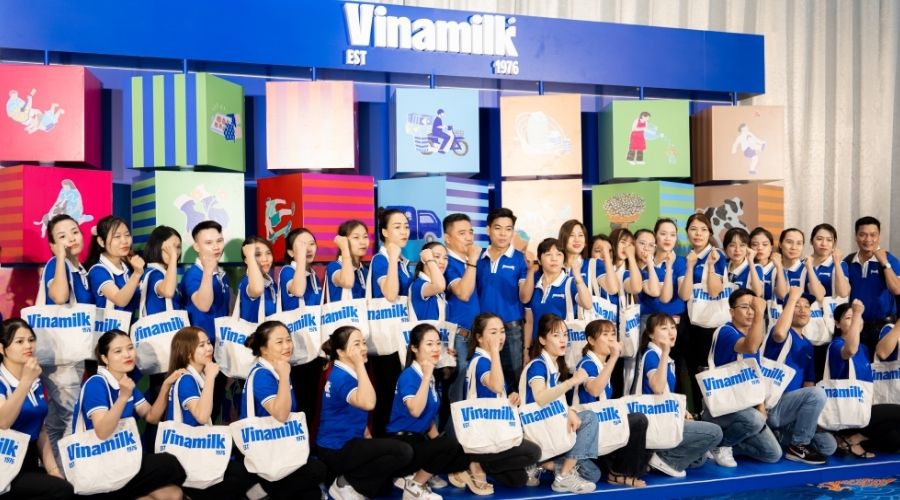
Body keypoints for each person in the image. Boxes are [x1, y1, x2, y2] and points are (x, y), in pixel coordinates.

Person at [72, 330, 186, 499]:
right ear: (104, 358)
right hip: (98, 465)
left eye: (130, 348)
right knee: (169, 463)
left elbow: (152, 417)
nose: (127, 354)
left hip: (122, 459)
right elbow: (102, 431)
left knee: (174, 494)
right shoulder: (96, 384)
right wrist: (123, 397)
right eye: (118, 351)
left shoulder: (126, 383)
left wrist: (166, 386)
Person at [387, 323, 487, 497]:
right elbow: (415, 411)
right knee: (449, 445)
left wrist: (442, 446)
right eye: (429, 344)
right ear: (414, 348)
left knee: (463, 454)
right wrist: (427, 377)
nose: (435, 348)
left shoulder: (429, 375)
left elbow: (428, 421)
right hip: (402, 443)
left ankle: (424, 473)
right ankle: (415, 485)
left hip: (419, 440)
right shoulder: (410, 375)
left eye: (438, 343)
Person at [317, 326, 414, 499]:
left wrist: (366, 433)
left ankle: (350, 480)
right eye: (356, 344)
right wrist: (360, 364)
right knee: (403, 452)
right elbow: (368, 403)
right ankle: (345, 482)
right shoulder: (341, 376)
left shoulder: (346, 371)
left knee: (385, 484)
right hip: (336, 450)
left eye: (363, 342)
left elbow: (349, 410)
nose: (363, 348)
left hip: (346, 444)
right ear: (341, 352)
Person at [165, 327, 255, 499]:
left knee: (243, 473)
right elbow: (202, 416)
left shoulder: (195, 376)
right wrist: (211, 378)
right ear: (187, 352)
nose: (209, 348)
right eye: (201, 345)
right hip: (187, 458)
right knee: (240, 478)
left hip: (197, 451)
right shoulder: (187, 379)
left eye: (208, 343)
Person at [241, 321, 328, 498]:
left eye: (288, 340)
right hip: (265, 451)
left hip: (281, 445)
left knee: (312, 490)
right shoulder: (262, 375)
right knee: (317, 471)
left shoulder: (279, 368)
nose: (287, 346)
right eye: (279, 342)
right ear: (264, 349)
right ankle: (259, 489)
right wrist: (283, 376)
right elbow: (281, 414)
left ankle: (265, 490)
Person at [635, 313, 722, 478]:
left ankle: (655, 458)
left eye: (673, 327)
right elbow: (658, 388)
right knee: (715, 433)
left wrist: (682, 411)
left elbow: (667, 393)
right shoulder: (652, 355)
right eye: (664, 328)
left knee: (700, 459)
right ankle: (665, 459)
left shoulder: (664, 356)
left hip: (665, 416)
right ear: (651, 334)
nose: (671, 332)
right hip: (656, 421)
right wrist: (665, 352)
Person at [701, 289, 782, 466]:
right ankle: (722, 444)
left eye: (753, 307)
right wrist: (760, 312)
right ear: (731, 311)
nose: (751, 312)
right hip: (719, 408)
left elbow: (756, 378)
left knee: (772, 454)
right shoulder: (726, 331)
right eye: (745, 307)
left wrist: (761, 405)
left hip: (744, 406)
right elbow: (750, 346)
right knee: (755, 420)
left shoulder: (752, 335)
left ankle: (715, 442)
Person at [524, 314, 601, 493]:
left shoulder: (555, 366)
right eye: (556, 335)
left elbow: (555, 400)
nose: (563, 340)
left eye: (565, 335)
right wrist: (572, 381)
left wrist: (569, 411)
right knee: (589, 418)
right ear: (542, 340)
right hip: (537, 430)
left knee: (593, 474)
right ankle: (563, 475)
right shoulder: (538, 365)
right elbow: (540, 397)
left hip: (550, 426)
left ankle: (545, 465)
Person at [464, 313, 541, 488]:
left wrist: (510, 399)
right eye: (493, 332)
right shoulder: (482, 361)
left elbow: (495, 393)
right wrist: (494, 351)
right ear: (479, 337)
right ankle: (474, 462)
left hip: (493, 429)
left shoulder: (488, 359)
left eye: (502, 331)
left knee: (518, 480)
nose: (499, 337)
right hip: (482, 435)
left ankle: (483, 465)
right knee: (534, 452)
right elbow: (497, 386)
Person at [39, 214, 93, 465]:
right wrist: (60, 257)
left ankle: (54, 468)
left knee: (57, 418)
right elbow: (60, 297)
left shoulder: (80, 269)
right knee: (71, 415)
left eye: (74, 231)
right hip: (61, 355)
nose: (71, 238)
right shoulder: (56, 265)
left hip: (73, 352)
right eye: (62, 236)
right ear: (52, 245)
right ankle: (72, 471)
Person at [0, 319, 74, 499]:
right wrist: (25, 381)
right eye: (19, 341)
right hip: (4, 462)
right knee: (60, 491)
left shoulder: (34, 380)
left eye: (31, 340)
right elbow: (3, 422)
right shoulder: (7, 381)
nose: (28, 346)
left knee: (66, 484)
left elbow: (41, 430)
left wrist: (53, 470)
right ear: (2, 348)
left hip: (29, 458)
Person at [763, 287, 836, 464]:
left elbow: (808, 383)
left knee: (829, 446)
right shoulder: (780, 332)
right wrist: (792, 297)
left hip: (792, 412)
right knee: (817, 393)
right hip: (773, 406)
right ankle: (798, 446)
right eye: (797, 305)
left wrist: (811, 419)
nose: (803, 309)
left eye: (806, 306)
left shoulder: (808, 344)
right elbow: (780, 333)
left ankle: (780, 437)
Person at [576, 319, 649, 488]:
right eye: (605, 334)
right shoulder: (587, 363)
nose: (611, 339)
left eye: (612, 334)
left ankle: (620, 469)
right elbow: (594, 390)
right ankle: (618, 473)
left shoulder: (602, 364)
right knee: (637, 420)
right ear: (591, 340)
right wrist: (615, 356)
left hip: (601, 424)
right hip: (587, 430)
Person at [828, 302, 900, 456]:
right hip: (847, 410)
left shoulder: (865, 348)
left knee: (894, 441)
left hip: (863, 408)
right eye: (849, 317)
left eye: (858, 317)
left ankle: (852, 440)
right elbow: (850, 349)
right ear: (837, 324)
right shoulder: (836, 345)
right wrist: (857, 313)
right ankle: (853, 437)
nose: (856, 320)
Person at [477, 208, 532, 392]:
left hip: (511, 329)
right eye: (498, 228)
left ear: (513, 232)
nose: (503, 234)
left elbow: (525, 297)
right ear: (488, 229)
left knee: (513, 380)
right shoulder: (478, 258)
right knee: (484, 378)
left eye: (508, 229)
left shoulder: (520, 260)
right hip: (482, 329)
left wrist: (531, 271)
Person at [181, 220, 231, 423]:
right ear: (196, 246)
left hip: (218, 347)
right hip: (199, 350)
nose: (216, 247)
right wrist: (208, 272)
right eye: (209, 243)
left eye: (219, 241)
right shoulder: (193, 275)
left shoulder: (221, 275)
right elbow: (203, 304)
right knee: (201, 408)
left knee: (215, 403)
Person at [368, 208, 412, 435]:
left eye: (406, 226)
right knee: (387, 394)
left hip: (401, 336)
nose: (404, 231)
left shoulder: (403, 261)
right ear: (384, 232)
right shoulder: (381, 260)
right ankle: (383, 441)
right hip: (386, 340)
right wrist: (393, 258)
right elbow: (391, 293)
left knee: (400, 391)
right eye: (397, 227)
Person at [678, 213, 728, 413]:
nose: (698, 234)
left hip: (713, 324)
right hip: (692, 323)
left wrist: (710, 265)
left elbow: (715, 291)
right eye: (693, 229)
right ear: (687, 232)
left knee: (711, 372)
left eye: (703, 230)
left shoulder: (717, 256)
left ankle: (714, 414)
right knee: (693, 371)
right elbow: (684, 295)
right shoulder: (686, 258)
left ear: (710, 233)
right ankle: (699, 413)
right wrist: (690, 266)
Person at [278, 228, 325, 435]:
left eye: (312, 244)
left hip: (313, 349)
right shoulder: (288, 272)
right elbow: (297, 290)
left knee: (310, 406)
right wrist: (299, 260)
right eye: (301, 245)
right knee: (298, 405)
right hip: (295, 350)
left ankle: (305, 447)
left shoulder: (313, 275)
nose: (308, 248)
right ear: (290, 252)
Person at [408, 241, 454, 428]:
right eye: (436, 257)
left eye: (445, 258)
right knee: (426, 405)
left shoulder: (438, 292)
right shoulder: (421, 285)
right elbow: (440, 284)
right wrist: (429, 260)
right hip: (423, 357)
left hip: (436, 355)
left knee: (437, 402)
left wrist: (447, 349)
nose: (441, 262)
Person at [521, 238, 592, 347]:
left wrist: (578, 277)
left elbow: (587, 304)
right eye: (548, 254)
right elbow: (530, 321)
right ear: (539, 260)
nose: (554, 259)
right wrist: (526, 349)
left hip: (563, 348)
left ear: (563, 260)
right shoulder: (534, 284)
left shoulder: (570, 283)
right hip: (538, 348)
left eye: (559, 254)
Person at [441, 213, 482, 404]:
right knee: (457, 394)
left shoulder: (468, 263)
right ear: (447, 238)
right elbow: (463, 293)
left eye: (470, 232)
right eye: (462, 233)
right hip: (458, 337)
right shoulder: (446, 263)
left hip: (474, 336)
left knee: (470, 391)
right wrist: (472, 260)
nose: (469, 237)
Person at [845, 216, 900, 355]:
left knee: (882, 367)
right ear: (856, 236)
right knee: (859, 365)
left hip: (884, 327)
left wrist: (884, 262)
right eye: (863, 234)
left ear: (879, 236)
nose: (868, 239)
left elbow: (897, 289)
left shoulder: (890, 259)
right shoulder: (849, 261)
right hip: (856, 326)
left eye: (873, 235)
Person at [86, 215, 143, 313]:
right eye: (117, 236)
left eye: (127, 235)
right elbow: (120, 300)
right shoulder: (98, 271)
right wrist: (137, 274)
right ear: (101, 241)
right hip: (107, 323)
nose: (124, 241)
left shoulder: (125, 267)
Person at [750, 227, 788, 328]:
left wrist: (779, 267)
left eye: (765, 244)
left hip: (774, 320)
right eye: (755, 244)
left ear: (771, 247)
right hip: (750, 320)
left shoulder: (776, 268)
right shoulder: (747, 268)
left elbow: (783, 295)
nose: (759, 248)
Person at [326, 219, 369, 304]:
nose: (363, 242)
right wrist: (344, 248)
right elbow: (347, 282)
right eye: (356, 237)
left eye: (365, 237)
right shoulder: (334, 267)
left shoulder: (365, 270)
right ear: (343, 241)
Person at [238, 237, 277, 323]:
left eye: (268, 253)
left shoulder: (271, 283)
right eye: (258, 254)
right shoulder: (247, 282)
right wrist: (250, 255)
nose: (265, 259)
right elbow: (257, 289)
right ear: (247, 260)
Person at [723, 227, 763, 296]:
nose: (737, 250)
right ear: (725, 248)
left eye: (742, 245)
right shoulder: (722, 266)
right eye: (732, 245)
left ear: (748, 248)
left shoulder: (756, 268)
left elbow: (758, 293)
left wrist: (751, 262)